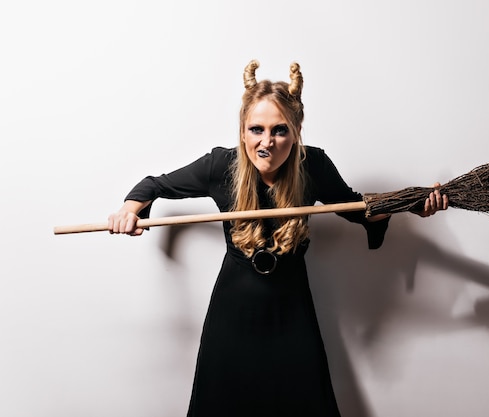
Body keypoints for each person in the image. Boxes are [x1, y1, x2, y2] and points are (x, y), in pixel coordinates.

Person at [108, 60, 448, 417]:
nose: (266, 143)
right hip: (232, 312)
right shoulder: (220, 166)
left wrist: (411, 205)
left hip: (291, 309)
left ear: (297, 131)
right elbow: (154, 185)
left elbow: (357, 209)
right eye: (256, 129)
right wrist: (129, 211)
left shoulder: (312, 165)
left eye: (279, 130)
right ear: (242, 132)